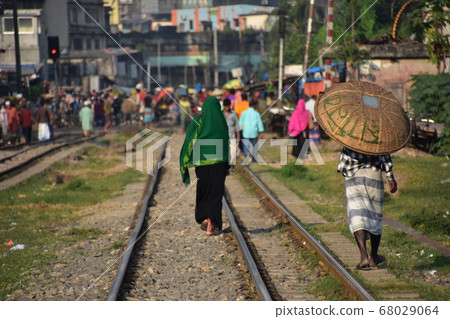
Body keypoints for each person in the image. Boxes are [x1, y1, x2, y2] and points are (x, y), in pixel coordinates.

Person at [337, 147, 398, 269]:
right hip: (374, 174)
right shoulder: (379, 132)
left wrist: (343, 168)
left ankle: (363, 256)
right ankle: (373, 256)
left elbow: (342, 164)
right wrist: (390, 176)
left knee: (356, 213)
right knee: (375, 213)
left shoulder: (353, 131)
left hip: (353, 175)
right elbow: (386, 154)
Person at [180, 96, 229, 236]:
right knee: (216, 192)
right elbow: (226, 143)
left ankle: (205, 218)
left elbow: (190, 140)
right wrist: (228, 163)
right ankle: (212, 225)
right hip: (219, 163)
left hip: (201, 162)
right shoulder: (221, 121)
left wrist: (185, 159)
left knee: (204, 189)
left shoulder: (198, 120)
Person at [222, 98, 240, 171]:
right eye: (226, 106)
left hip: (232, 135)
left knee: (233, 152)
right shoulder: (220, 114)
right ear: (223, 106)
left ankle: (232, 166)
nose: (227, 108)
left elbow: (237, 125)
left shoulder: (233, 114)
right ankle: (225, 167)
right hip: (223, 136)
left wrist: (238, 136)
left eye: (228, 106)